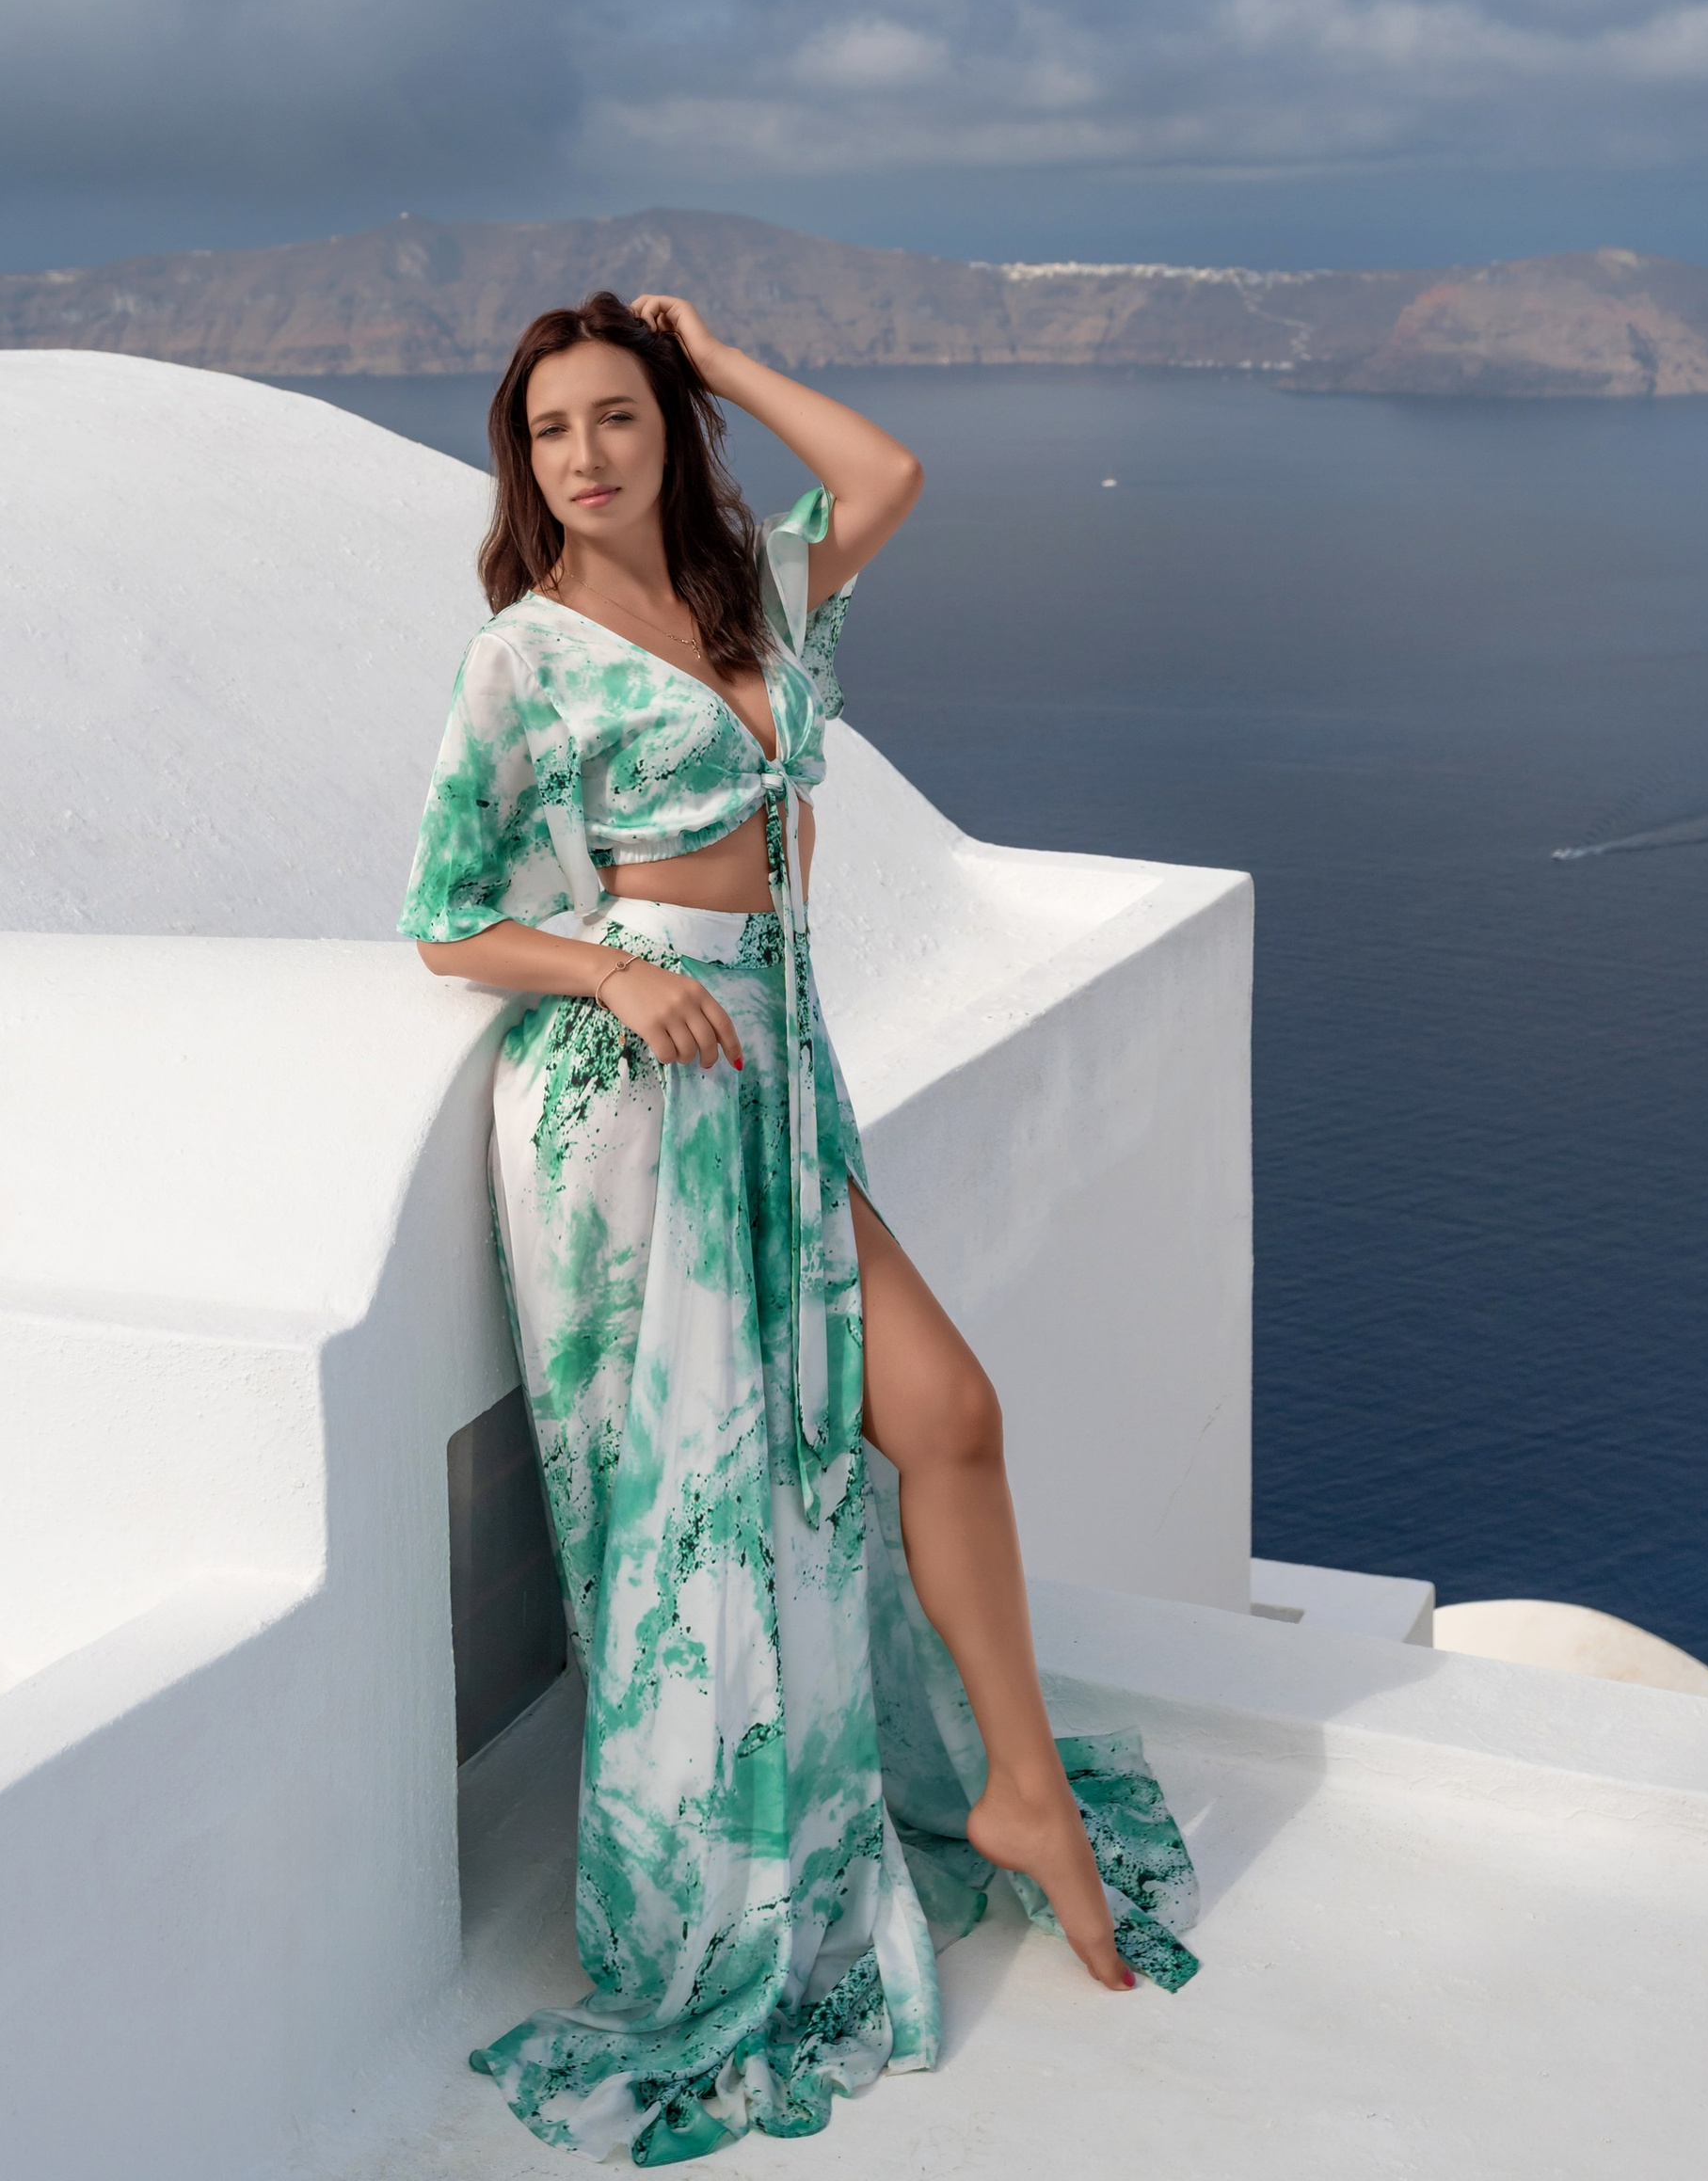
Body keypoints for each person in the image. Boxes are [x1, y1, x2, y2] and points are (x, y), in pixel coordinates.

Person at [404, 288, 1197, 2159]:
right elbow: (445, 916)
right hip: (635, 1101)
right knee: (713, 1500)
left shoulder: (754, 593)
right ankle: (739, 1868)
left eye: (615, 415)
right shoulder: (522, 655)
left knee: (941, 1415)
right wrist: (603, 977)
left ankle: (1016, 1796)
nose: (582, 456)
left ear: (667, 424)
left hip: (773, 1072)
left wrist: (713, 346)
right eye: (547, 433)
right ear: (519, 467)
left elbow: (888, 472)